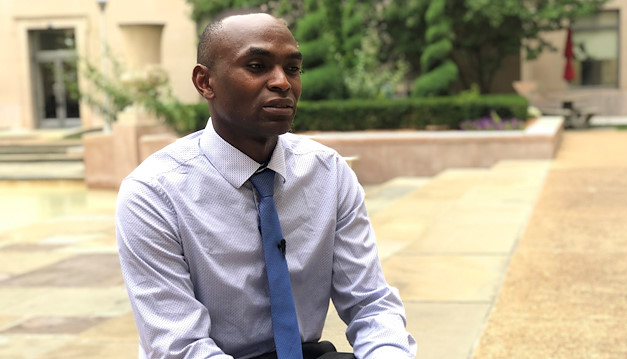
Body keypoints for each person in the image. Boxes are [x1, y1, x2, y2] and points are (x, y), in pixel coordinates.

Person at [116, 12, 417, 359]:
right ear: (205, 82)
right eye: (257, 66)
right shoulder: (153, 194)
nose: (282, 83)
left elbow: (371, 304)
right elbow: (180, 346)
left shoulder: (328, 173)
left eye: (292, 68)